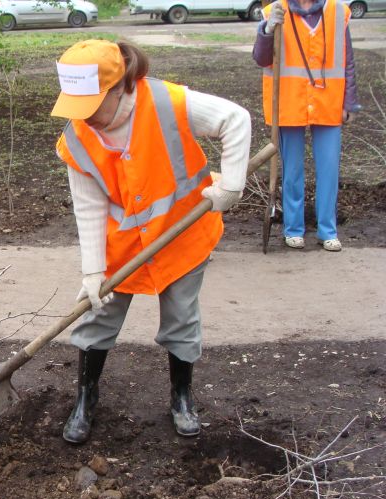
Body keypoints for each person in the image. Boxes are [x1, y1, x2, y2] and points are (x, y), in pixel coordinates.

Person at [50, 39, 251, 443]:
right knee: (97, 316)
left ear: (121, 86)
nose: (83, 118)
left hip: (183, 234)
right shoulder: (77, 139)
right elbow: (88, 209)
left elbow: (236, 118)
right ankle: (86, 397)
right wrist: (92, 273)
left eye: (90, 106)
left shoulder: (167, 103)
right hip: (123, 245)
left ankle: (181, 396)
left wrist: (231, 186)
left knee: (181, 316)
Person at [253, 0, 361, 252]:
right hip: (288, 103)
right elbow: (261, 58)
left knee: (329, 170)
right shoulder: (274, 12)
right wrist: (267, 30)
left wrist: (350, 102)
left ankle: (328, 230)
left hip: (329, 102)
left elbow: (349, 61)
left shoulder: (337, 12)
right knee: (292, 171)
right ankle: (293, 229)